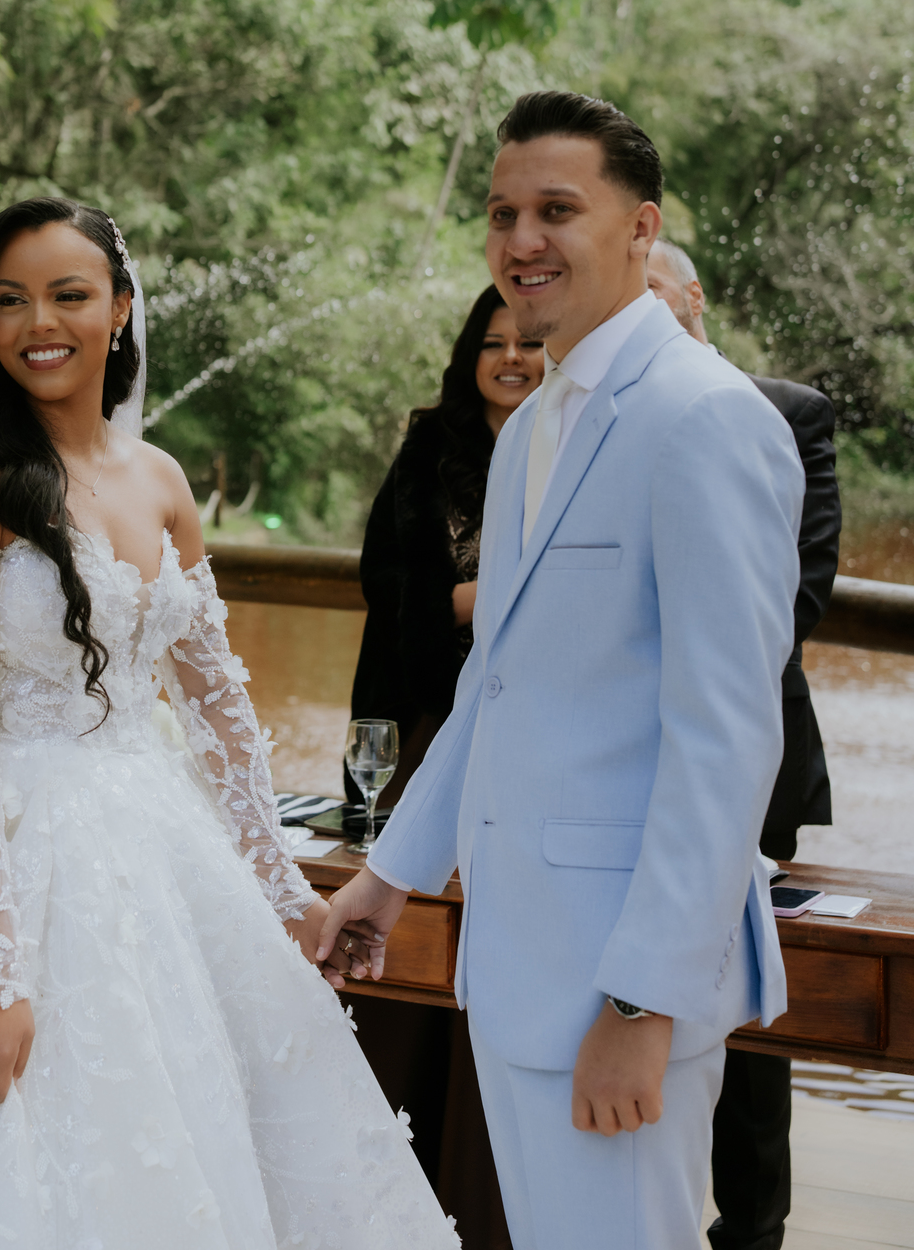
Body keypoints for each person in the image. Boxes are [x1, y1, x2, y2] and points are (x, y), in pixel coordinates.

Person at [0, 198, 459, 1250]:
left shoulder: (161, 481)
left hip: (153, 845)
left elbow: (218, 707)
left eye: (68, 295)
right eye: (9, 301)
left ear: (118, 309)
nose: (39, 323)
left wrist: (282, 890)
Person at [317, 92, 805, 1250]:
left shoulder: (705, 419)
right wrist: (388, 878)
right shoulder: (535, 428)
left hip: (620, 985)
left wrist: (644, 1000)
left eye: (556, 210)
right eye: (502, 214)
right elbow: (500, 686)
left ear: (641, 228)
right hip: (518, 970)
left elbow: (726, 740)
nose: (521, 239)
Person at [648, 237, 839, 1250]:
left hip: (752, 754)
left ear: (694, 297)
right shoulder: (579, 412)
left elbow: (799, 592)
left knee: (748, 998)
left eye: (654, 294)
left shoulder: (789, 412)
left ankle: (752, 1227)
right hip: (610, 759)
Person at [346, 287, 543, 1248]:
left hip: (530, 732)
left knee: (501, 937)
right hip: (423, 716)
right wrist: (479, 596)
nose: (510, 358)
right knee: (412, 928)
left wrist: (483, 597)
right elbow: (389, 579)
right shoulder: (432, 446)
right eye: (491, 343)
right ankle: (388, 1186)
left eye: (527, 344)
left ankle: (482, 1187)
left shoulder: (569, 442)